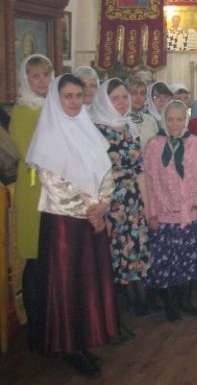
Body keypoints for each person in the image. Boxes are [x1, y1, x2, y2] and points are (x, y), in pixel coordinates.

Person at [27, 74, 118, 378]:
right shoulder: (48, 135)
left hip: (91, 221)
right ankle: (68, 345)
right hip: (64, 225)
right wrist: (92, 211)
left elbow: (105, 173)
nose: (74, 102)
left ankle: (83, 340)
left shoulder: (85, 128)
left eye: (78, 96)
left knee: (86, 283)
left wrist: (103, 203)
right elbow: (55, 186)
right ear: (57, 99)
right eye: (68, 96)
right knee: (67, 285)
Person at [144, 100, 197, 321]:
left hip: (191, 213)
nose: (175, 124)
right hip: (165, 214)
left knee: (188, 260)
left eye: (179, 119)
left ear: (186, 120)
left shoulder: (195, 142)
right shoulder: (154, 145)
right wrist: (151, 213)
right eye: (170, 119)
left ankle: (185, 299)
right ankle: (170, 303)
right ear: (164, 120)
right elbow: (148, 180)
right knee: (166, 262)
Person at [90, 78, 152, 324]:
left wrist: (147, 207)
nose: (122, 102)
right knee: (114, 256)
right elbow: (93, 174)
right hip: (110, 202)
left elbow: (140, 170)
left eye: (124, 97)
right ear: (104, 101)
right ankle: (113, 315)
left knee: (135, 250)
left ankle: (138, 303)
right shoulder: (95, 131)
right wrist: (100, 208)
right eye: (115, 98)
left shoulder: (128, 127)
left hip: (132, 201)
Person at [9, 54, 53, 352]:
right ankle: (36, 330)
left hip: (54, 193)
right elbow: (34, 153)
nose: (42, 81)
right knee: (35, 261)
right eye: (35, 76)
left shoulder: (52, 107)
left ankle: (50, 324)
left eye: (46, 75)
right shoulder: (24, 111)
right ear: (25, 79)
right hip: (35, 191)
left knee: (48, 260)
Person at [127, 75, 159, 146]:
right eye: (134, 93)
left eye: (142, 93)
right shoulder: (121, 121)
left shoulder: (150, 120)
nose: (139, 97)